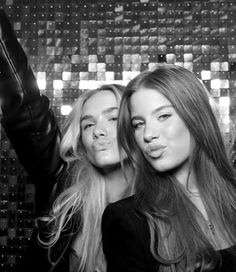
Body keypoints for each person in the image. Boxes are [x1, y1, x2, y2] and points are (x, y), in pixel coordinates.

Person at [0, 10, 133, 272]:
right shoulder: (62, 181)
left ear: (137, 126)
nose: (99, 131)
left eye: (113, 119)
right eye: (88, 124)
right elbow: (25, 106)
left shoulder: (165, 202)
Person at [102, 64, 236, 272]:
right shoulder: (128, 221)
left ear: (196, 117)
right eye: (138, 124)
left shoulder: (232, 195)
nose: (148, 134)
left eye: (163, 116)